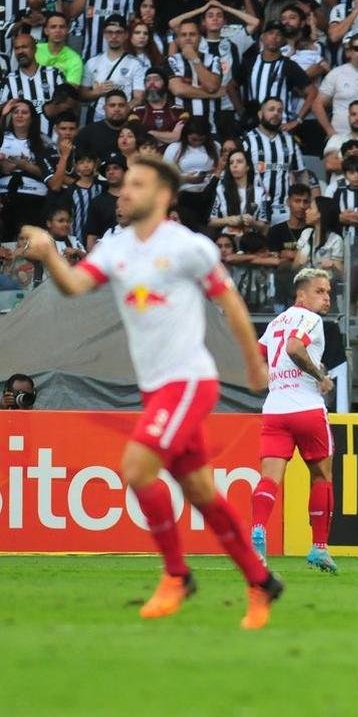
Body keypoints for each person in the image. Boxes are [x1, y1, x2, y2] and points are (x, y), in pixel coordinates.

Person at [18, 154, 282, 628]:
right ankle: (261, 582)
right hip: (157, 386)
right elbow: (76, 286)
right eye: (125, 184)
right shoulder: (116, 249)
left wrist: (253, 364)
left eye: (137, 184)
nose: (124, 191)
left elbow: (230, 302)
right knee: (202, 493)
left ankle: (177, 575)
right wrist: (50, 254)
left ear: (163, 196)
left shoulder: (188, 247)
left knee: (137, 467)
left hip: (188, 380)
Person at [249, 267, 337, 572]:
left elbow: (258, 354)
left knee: (269, 479)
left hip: (275, 409)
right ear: (301, 294)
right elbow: (295, 347)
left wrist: (276, 379)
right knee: (321, 477)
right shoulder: (309, 319)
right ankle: (319, 548)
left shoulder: (275, 322)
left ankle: (258, 529)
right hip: (307, 408)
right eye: (319, 291)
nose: (326, 298)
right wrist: (320, 376)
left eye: (328, 292)